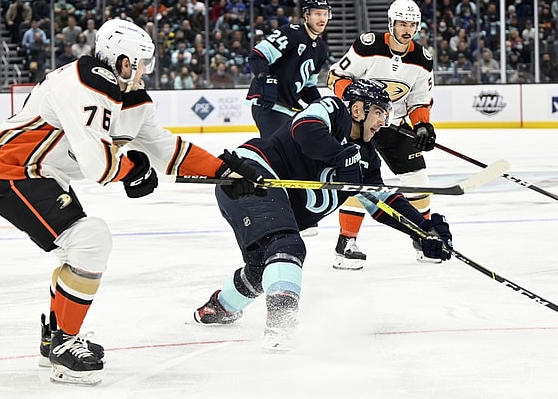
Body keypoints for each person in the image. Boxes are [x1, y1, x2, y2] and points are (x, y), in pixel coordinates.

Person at [0, 18, 264, 386]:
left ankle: (55, 338)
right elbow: (98, 165)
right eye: (142, 63)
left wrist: (224, 169)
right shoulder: (85, 83)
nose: (146, 71)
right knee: (89, 240)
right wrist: (131, 169)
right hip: (12, 171)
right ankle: (64, 345)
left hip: (41, 175)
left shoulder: (128, 97)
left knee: (81, 247)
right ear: (123, 61)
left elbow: (165, 149)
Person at [192, 79, 454, 351]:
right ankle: (281, 325)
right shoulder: (332, 109)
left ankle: (220, 307)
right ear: (357, 110)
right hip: (249, 178)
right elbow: (304, 130)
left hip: (270, 202)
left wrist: (422, 230)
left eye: (386, 114)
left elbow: (384, 202)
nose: (383, 121)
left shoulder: (368, 158)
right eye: (378, 112)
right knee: (286, 246)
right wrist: (339, 156)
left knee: (264, 266)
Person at [326, 0, 439, 270]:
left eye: (412, 24)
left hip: (395, 125)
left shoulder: (422, 59)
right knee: (358, 182)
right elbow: (335, 78)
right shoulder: (368, 46)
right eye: (402, 23)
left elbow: (420, 100)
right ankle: (346, 244)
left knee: (418, 180)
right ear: (391, 23)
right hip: (360, 125)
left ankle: (422, 236)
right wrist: (355, 99)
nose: (407, 29)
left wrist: (422, 125)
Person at [245, 0, 331, 138]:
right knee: (279, 152)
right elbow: (257, 56)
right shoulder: (290, 33)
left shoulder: (321, 49)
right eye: (317, 14)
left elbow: (307, 88)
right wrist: (264, 77)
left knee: (298, 153)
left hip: (290, 109)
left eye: (325, 14)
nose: (322, 19)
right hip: (270, 104)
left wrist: (322, 106)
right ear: (307, 15)